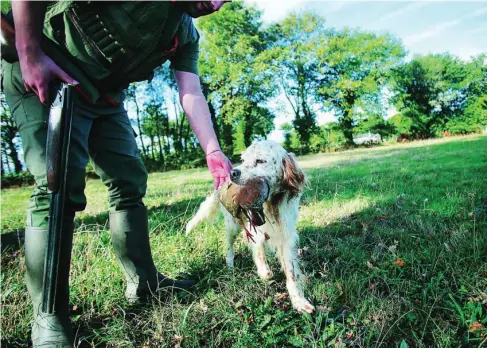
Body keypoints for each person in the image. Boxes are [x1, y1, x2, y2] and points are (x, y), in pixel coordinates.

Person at [1, 1, 232, 346]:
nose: (215, 3)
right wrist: (29, 52)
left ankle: (143, 282)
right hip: (47, 68)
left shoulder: (184, 32)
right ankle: (49, 318)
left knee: (128, 180)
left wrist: (213, 150)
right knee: (58, 185)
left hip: (102, 96)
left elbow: (191, 91)